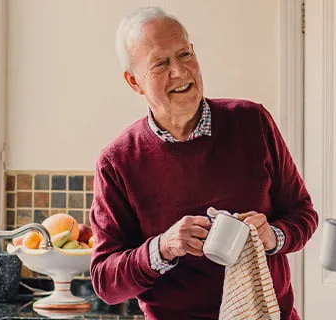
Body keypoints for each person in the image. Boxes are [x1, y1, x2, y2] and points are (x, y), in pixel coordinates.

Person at [88, 6, 318, 320]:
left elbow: (303, 213)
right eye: (161, 63)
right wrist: (163, 248)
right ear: (134, 82)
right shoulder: (117, 162)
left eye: (184, 55)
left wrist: (273, 236)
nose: (180, 72)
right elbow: (105, 281)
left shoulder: (252, 122)